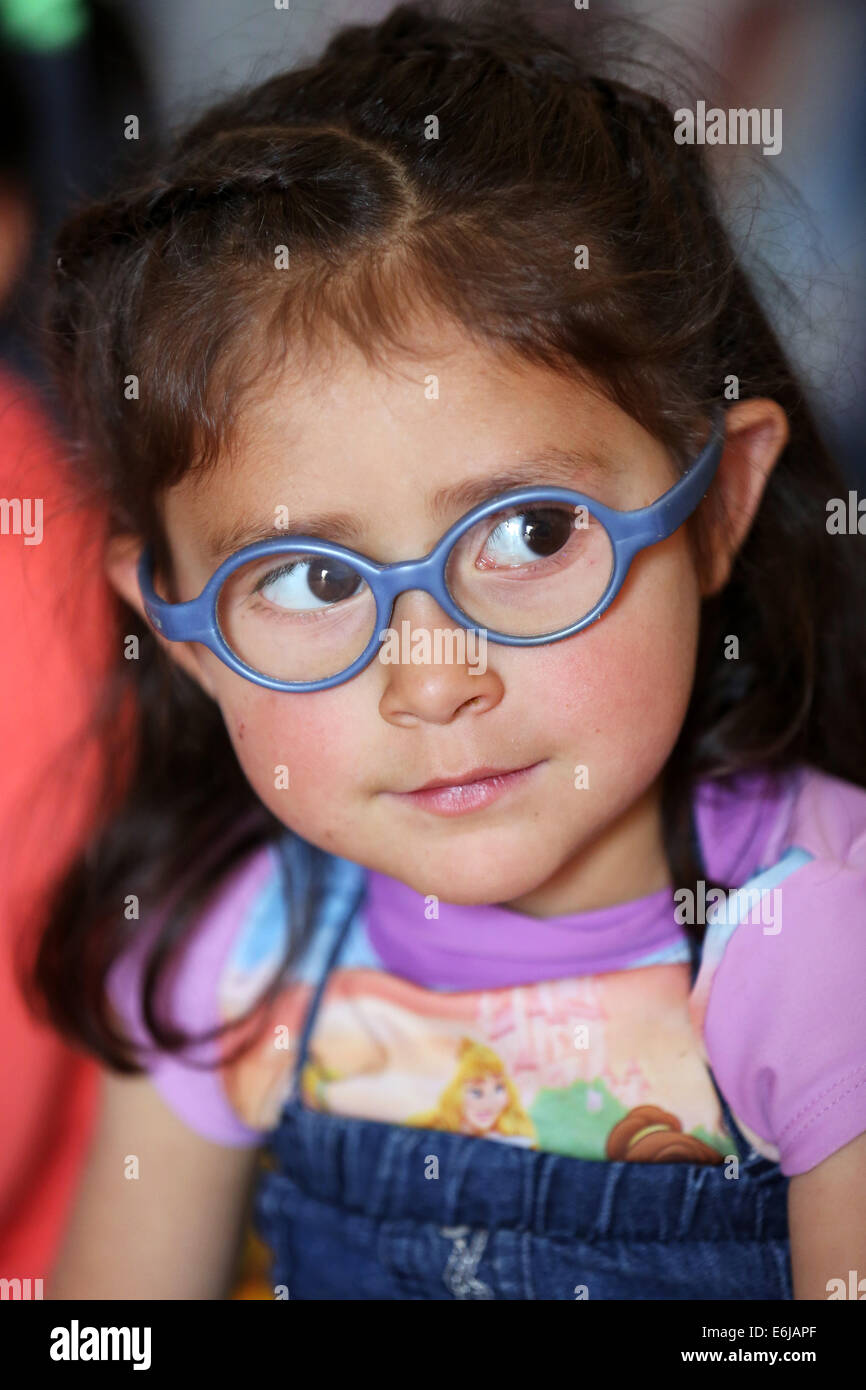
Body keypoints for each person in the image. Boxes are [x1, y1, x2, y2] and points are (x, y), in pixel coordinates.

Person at [36, 0, 866, 1301]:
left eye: (531, 532)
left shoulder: (815, 940)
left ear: (714, 508)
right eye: (308, 575)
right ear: (179, 625)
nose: (432, 674)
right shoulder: (239, 949)